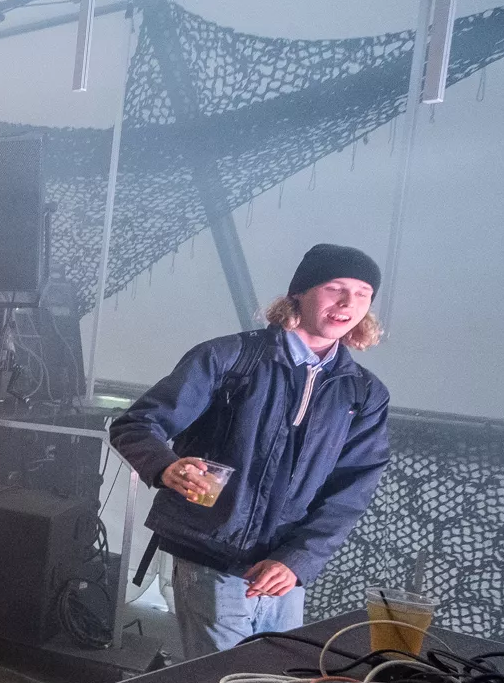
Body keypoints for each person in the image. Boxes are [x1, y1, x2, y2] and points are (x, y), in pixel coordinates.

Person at [110, 243, 392, 657]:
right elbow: (136, 424)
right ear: (299, 293)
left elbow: (351, 492)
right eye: (335, 288)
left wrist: (297, 560)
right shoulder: (229, 358)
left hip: (283, 572)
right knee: (219, 682)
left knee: (273, 679)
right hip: (210, 556)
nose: (349, 303)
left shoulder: (364, 392)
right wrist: (166, 467)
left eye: (363, 293)